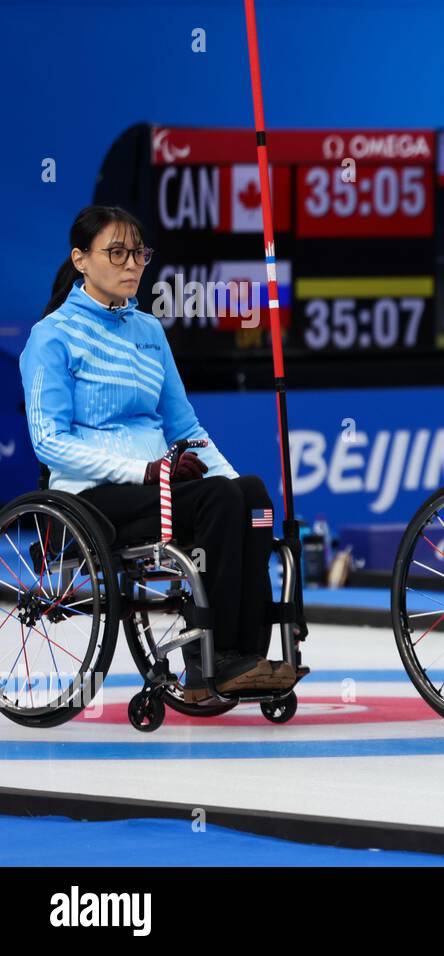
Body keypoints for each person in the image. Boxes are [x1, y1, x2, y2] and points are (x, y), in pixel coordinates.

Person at [19, 205, 293, 702]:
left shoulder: (149, 332)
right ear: (80, 260)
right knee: (218, 500)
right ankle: (207, 663)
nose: (131, 265)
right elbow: (49, 442)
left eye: (138, 254)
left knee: (249, 495)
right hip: (92, 497)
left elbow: (185, 426)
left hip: (158, 485)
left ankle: (244, 657)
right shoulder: (51, 337)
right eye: (116, 253)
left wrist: (225, 480)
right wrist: (144, 470)